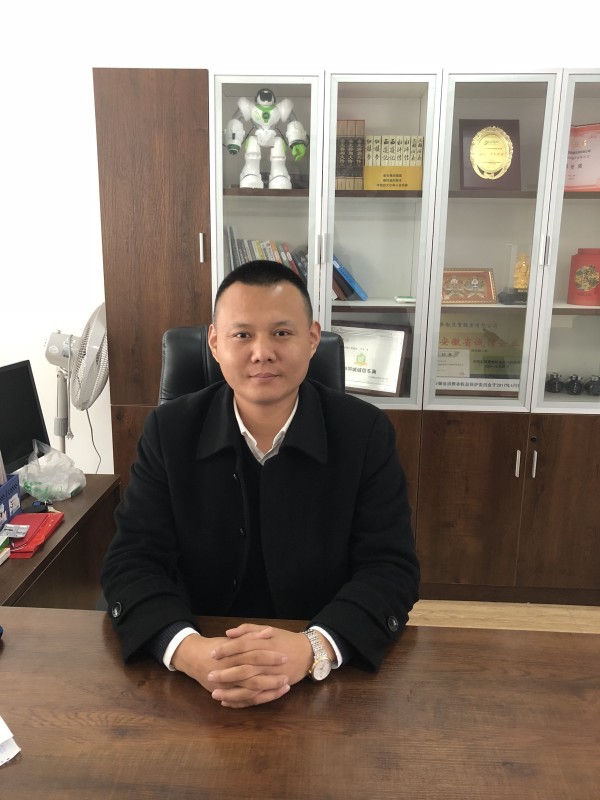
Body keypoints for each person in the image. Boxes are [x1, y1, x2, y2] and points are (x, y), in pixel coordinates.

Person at [101, 260, 419, 709]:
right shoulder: (169, 431)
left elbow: (390, 568)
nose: (262, 352)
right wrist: (189, 650)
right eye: (242, 335)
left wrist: (313, 648)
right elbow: (133, 560)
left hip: (324, 679)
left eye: (282, 333)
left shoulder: (364, 433)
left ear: (313, 339)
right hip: (198, 672)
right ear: (215, 343)